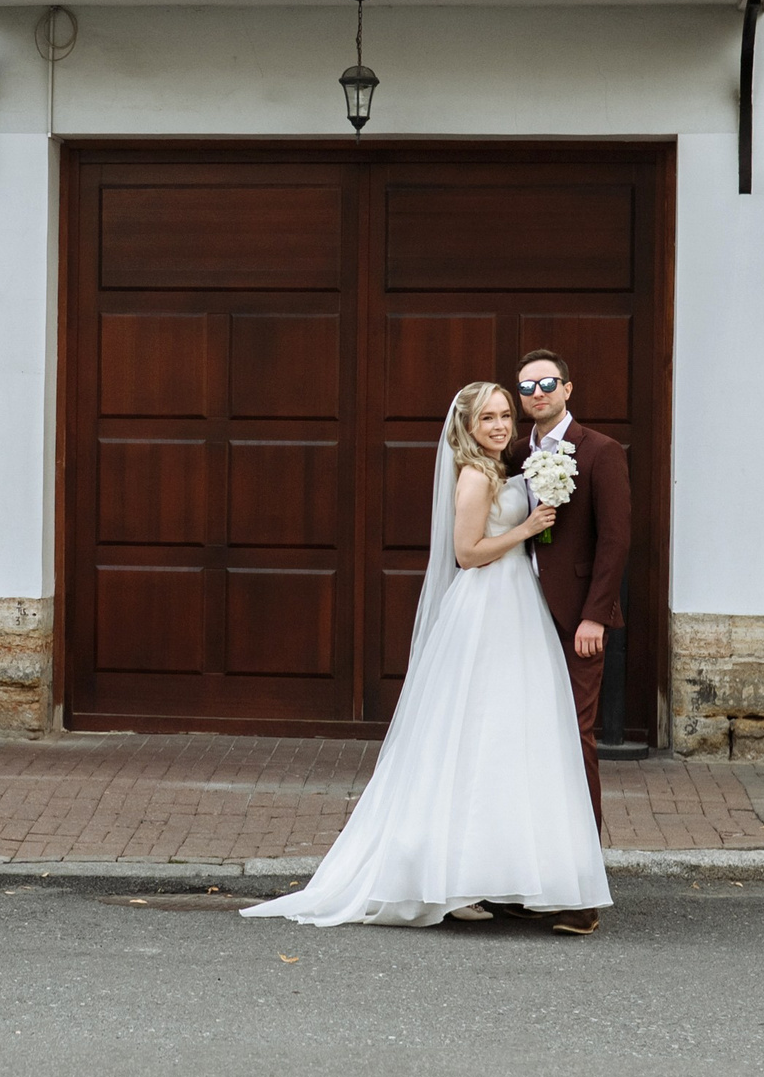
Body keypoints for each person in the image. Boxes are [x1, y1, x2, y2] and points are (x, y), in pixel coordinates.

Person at [241, 381, 611, 931]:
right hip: (486, 606)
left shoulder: (500, 470)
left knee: (506, 733)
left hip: (515, 607)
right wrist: (528, 528)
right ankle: (447, 875)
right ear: (466, 426)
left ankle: (496, 869)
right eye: (487, 418)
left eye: (505, 415)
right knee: (472, 730)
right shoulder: (474, 476)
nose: (500, 425)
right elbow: (467, 555)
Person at [501, 349, 631, 894]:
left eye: (547, 383)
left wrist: (594, 616)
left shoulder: (599, 452)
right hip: (515, 615)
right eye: (527, 387)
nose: (538, 394)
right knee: (519, 737)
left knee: (575, 736)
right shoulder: (509, 453)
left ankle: (583, 868)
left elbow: (616, 540)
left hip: (576, 621)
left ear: (568, 389)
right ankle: (524, 866)